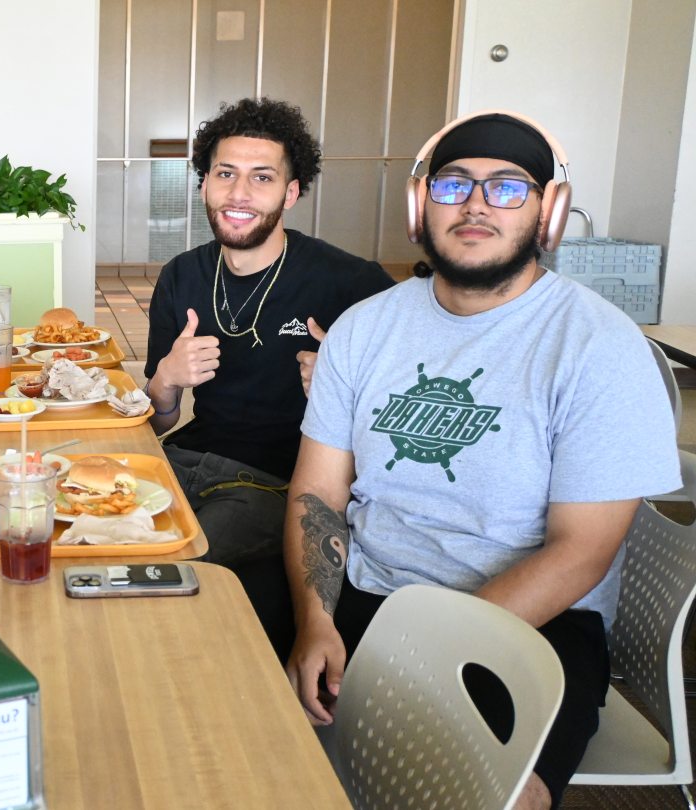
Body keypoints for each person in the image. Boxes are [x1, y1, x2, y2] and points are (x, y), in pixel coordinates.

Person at [281, 112, 679, 809]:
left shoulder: (599, 347)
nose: (474, 204)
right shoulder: (365, 328)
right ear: (420, 203)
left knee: (473, 794)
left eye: (507, 188)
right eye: (454, 184)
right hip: (372, 593)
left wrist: (423, 654)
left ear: (548, 212)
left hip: (534, 622)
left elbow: (579, 554)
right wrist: (316, 621)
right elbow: (317, 493)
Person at [143, 98, 392, 565]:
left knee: (184, 570)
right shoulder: (181, 276)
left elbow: (404, 416)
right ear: (204, 185)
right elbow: (159, 422)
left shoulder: (351, 282)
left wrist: (347, 392)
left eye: (262, 177)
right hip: (184, 459)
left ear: (290, 193)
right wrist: (166, 380)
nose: (239, 193)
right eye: (225, 173)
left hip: (276, 480)